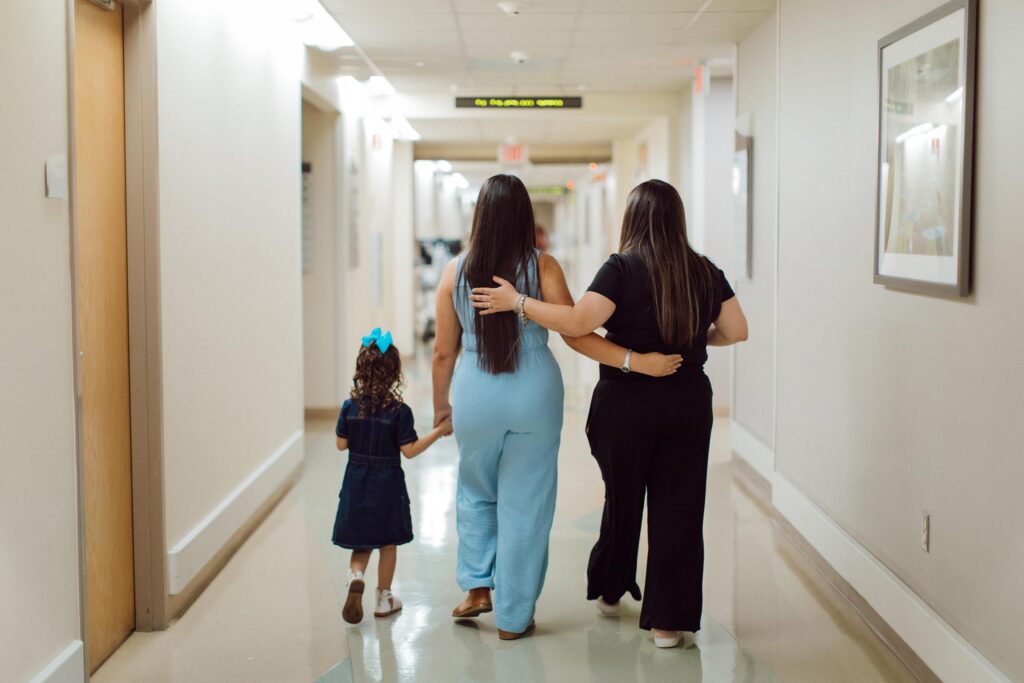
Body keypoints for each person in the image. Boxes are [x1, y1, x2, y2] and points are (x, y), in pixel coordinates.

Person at [471, 179, 748, 649]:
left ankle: (611, 585)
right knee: (680, 508)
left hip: (626, 402)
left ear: (632, 219)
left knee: (622, 498)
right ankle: (667, 624)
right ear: (677, 219)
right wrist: (695, 341)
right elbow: (736, 330)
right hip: (687, 400)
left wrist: (517, 302)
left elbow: (577, 322)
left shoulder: (622, 267)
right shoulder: (704, 270)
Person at [432, 175, 681, 641]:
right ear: (525, 217)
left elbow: (443, 352)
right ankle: (513, 618)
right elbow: (576, 332)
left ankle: (477, 584)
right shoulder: (542, 266)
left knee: (475, 489)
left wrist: (440, 406)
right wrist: (636, 361)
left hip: (474, 395)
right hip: (535, 394)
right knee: (526, 502)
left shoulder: (454, 271)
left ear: (479, 215)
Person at [334, 327, 453, 625]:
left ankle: (356, 576)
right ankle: (384, 598)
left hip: (357, 484)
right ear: (394, 374)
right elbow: (410, 451)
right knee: (387, 543)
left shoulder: (350, 407)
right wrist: (439, 431)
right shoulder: (400, 411)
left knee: (361, 541)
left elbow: (341, 445)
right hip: (387, 486)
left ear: (360, 371)